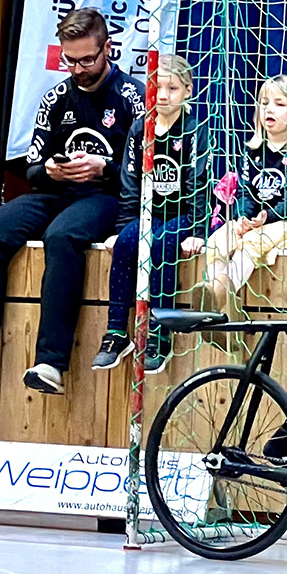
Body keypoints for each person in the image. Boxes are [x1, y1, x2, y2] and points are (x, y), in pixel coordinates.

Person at [0, 7, 144, 395]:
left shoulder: (131, 96)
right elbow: (31, 168)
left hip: (106, 195)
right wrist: (52, 170)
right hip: (55, 190)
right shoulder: (57, 96)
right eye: (70, 60)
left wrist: (104, 168)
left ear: (108, 48)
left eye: (88, 59)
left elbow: (144, 169)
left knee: (62, 238)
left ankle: (50, 363)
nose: (79, 69)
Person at [92, 54, 210, 375]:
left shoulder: (195, 129)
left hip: (184, 214)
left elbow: (199, 183)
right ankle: (117, 332)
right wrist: (121, 227)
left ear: (187, 90)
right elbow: (131, 182)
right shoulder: (139, 128)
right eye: (157, 87)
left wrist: (199, 231)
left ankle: (160, 332)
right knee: (128, 242)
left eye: (172, 88)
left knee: (161, 244)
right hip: (150, 213)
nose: (163, 95)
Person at [202, 75, 287, 307]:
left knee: (255, 242)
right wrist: (243, 217)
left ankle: (222, 294)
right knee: (220, 238)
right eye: (264, 102)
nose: (269, 109)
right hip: (257, 224)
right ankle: (214, 295)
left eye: (279, 104)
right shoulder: (253, 150)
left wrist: (266, 217)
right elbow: (245, 192)